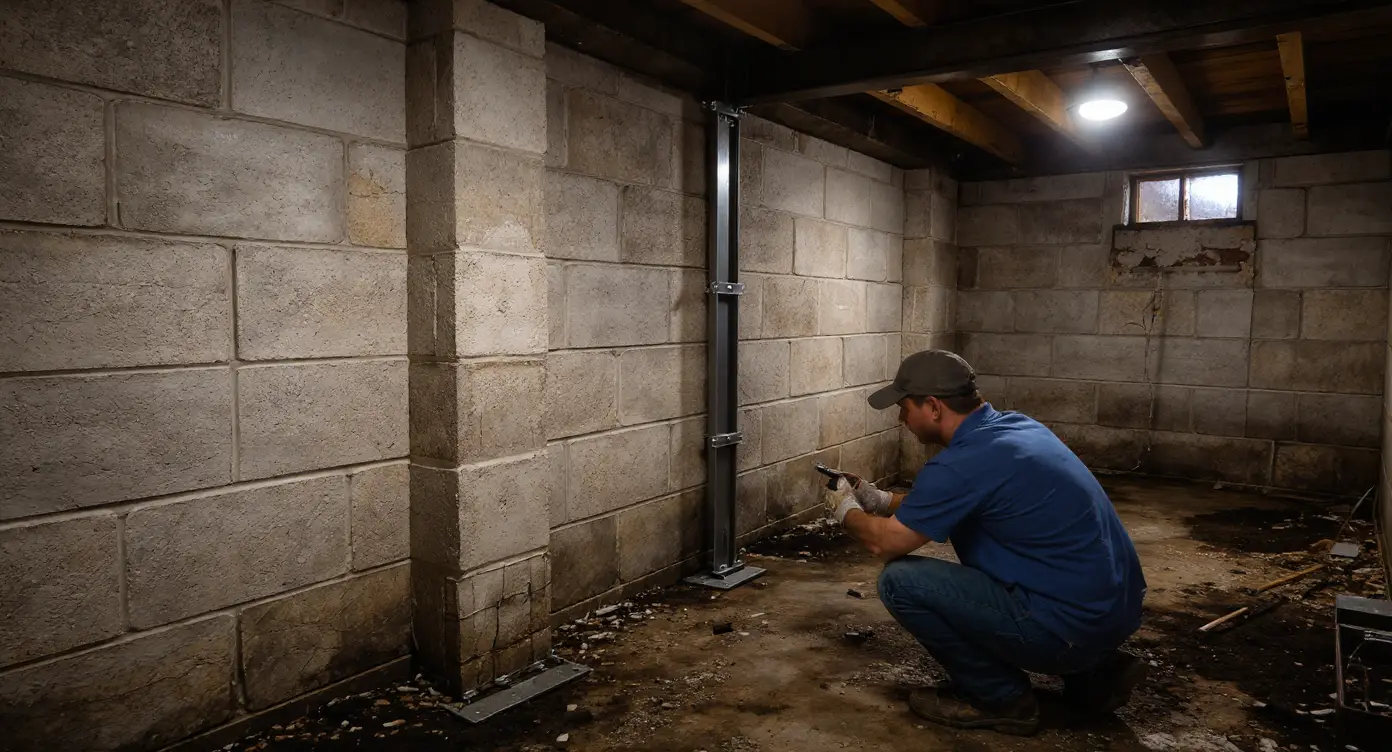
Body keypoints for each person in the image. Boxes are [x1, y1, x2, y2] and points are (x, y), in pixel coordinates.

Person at [826, 349, 1147, 736]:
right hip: (1112, 613)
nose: (900, 418)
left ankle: (1001, 698)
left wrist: (844, 510)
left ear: (932, 407)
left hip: (1068, 631)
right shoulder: (1016, 429)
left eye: (903, 407)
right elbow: (955, 499)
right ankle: (1096, 673)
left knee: (900, 583)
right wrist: (877, 499)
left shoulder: (961, 463)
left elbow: (886, 543)